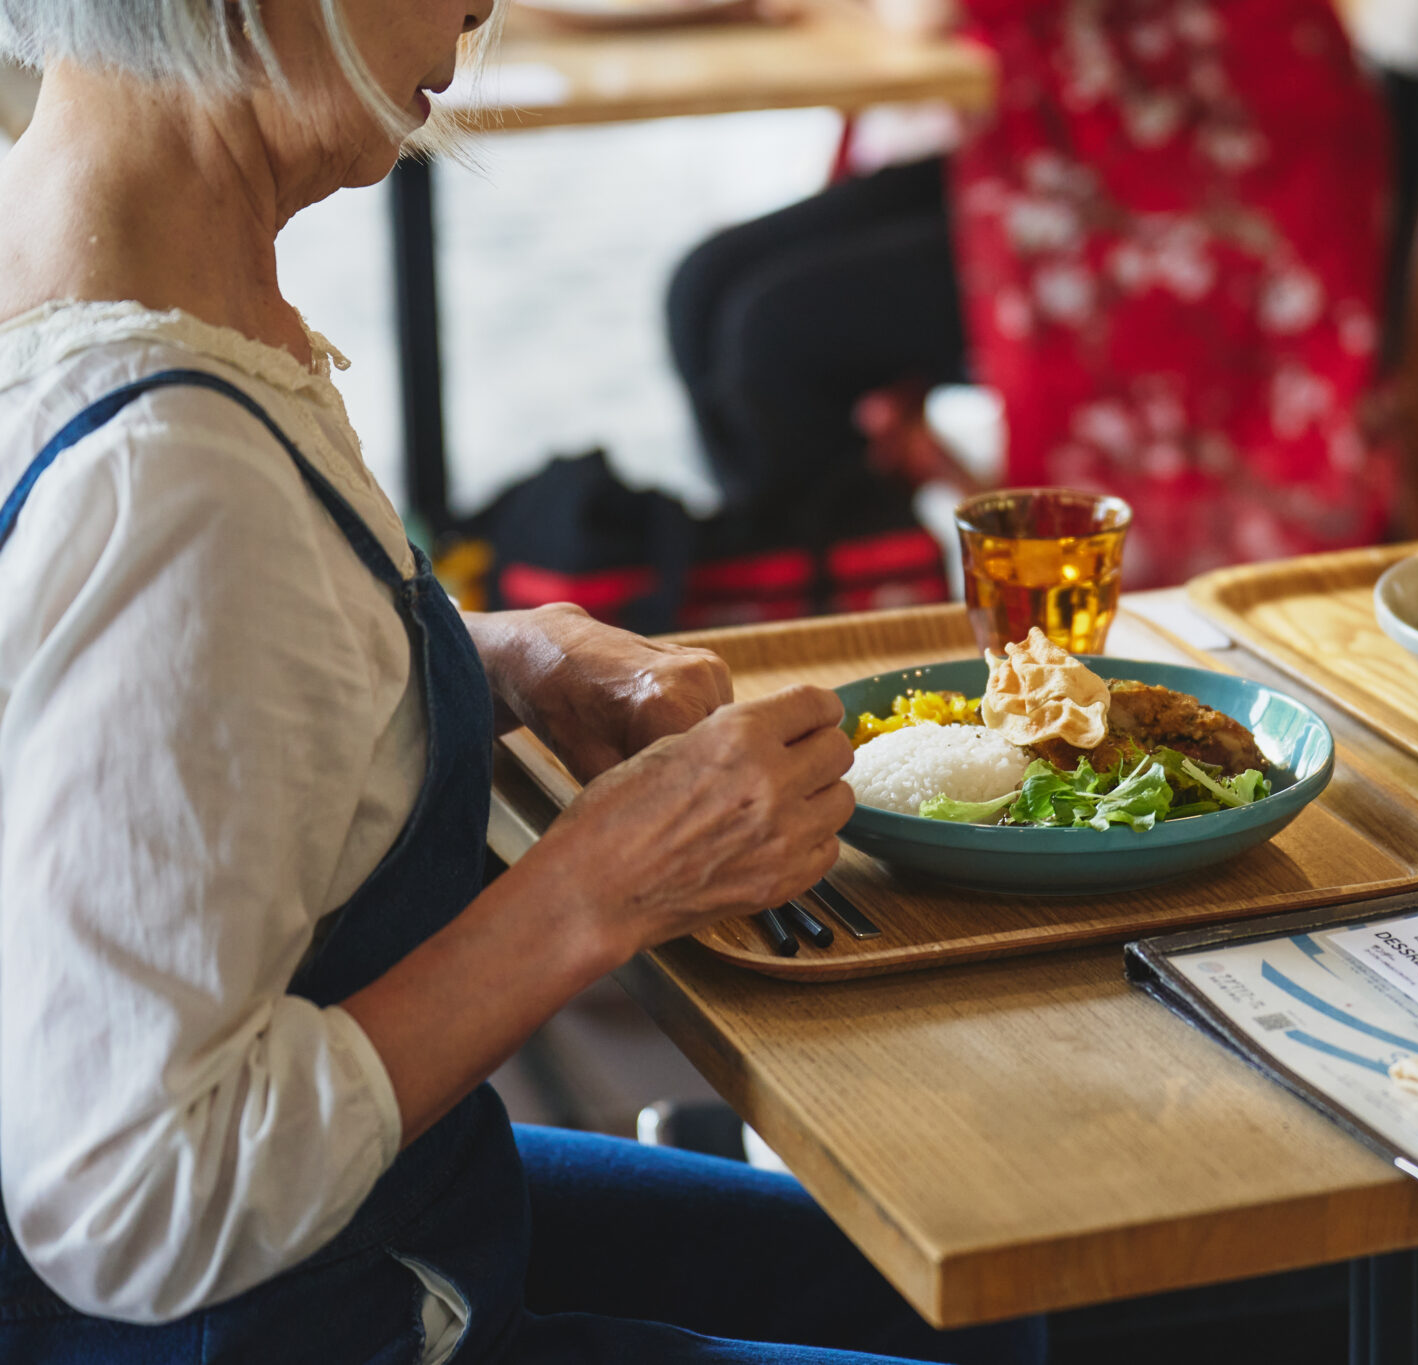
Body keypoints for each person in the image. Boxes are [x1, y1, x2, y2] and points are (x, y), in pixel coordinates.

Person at [0, 3, 1044, 1362]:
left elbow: (131, 697)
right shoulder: (179, 483)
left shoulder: (85, 263)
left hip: (377, 1206)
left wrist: (501, 653)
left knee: (983, 1298)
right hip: (289, 1304)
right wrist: (597, 891)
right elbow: (137, 1200)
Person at [667, 0, 1397, 590]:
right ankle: (793, 596)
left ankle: (864, 632)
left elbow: (927, 11)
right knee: (703, 287)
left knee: (776, 333)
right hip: (1071, 130)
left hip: (1210, 174)